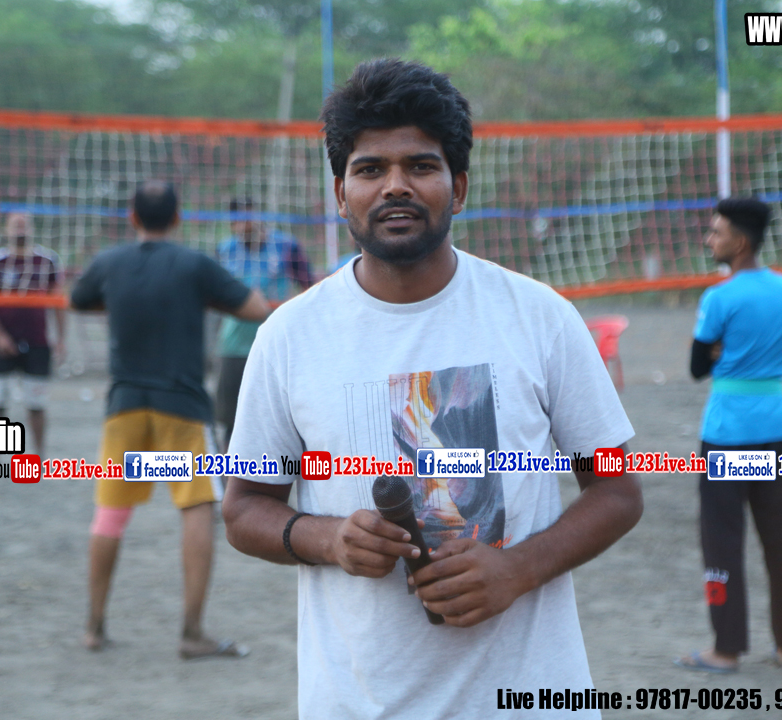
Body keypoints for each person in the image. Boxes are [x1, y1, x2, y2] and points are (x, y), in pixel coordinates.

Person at [221, 59, 643, 719]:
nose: (396, 185)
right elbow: (244, 508)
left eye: (420, 165)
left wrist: (519, 569)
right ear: (341, 194)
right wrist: (329, 539)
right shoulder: (288, 337)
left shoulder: (540, 317)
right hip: (357, 704)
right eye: (370, 169)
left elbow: (617, 491)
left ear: (459, 186)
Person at [71, 180, 271, 658]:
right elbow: (257, 309)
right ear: (178, 217)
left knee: (110, 515)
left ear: (132, 216)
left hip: (124, 404)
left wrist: (120, 301)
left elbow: (78, 299)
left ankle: (94, 628)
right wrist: (206, 298)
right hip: (181, 405)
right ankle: (191, 633)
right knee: (197, 510)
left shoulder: (110, 263)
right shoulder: (194, 265)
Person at [674, 198, 782, 674]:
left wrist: (719, 353)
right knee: (779, 539)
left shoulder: (719, 297)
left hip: (727, 434)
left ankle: (726, 650)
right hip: (774, 427)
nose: (709, 239)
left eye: (717, 232)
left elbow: (695, 367)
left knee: (723, 542)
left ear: (741, 241)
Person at [215, 198, 313, 450]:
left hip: (279, 347)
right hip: (235, 347)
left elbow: (310, 287)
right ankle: (232, 471)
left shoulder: (286, 246)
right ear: (232, 225)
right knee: (232, 422)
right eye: (239, 221)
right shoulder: (225, 249)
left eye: (250, 217)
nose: (246, 224)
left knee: (287, 421)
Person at [0, 212, 65, 457]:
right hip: (4, 340)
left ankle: (39, 455)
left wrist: (61, 339)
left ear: (31, 229)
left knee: (37, 404)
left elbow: (58, 302)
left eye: (23, 225)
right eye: (15, 225)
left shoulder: (47, 261)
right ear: (6, 230)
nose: (20, 229)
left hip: (37, 341)